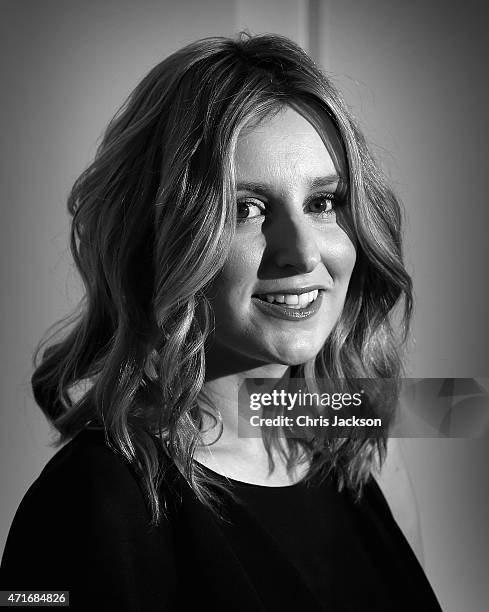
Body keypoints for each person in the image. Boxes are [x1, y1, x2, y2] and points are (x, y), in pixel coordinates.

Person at [1, 33, 442, 611]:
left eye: (323, 202)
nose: (303, 254)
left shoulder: (358, 444)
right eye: (245, 209)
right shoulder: (87, 500)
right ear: (155, 239)